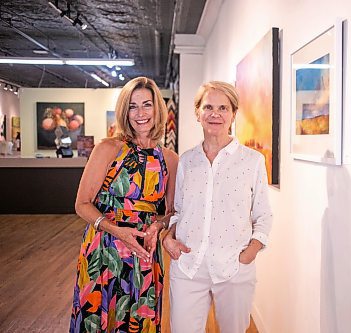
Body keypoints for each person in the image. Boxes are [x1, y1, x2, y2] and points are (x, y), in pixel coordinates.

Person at [70, 76, 178, 332]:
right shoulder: (108, 148)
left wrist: (157, 227)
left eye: (147, 105)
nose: (140, 113)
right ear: (124, 111)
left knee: (138, 321)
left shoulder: (170, 159)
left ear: (157, 109)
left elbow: (171, 212)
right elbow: (82, 204)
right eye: (133, 106)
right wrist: (117, 231)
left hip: (144, 252)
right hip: (104, 248)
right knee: (98, 319)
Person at [163, 81, 273, 333]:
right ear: (197, 113)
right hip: (188, 265)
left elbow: (263, 213)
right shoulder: (187, 161)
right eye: (208, 107)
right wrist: (168, 238)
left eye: (223, 108)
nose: (215, 114)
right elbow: (178, 211)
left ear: (233, 114)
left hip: (234, 267)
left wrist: (250, 252)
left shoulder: (252, 161)